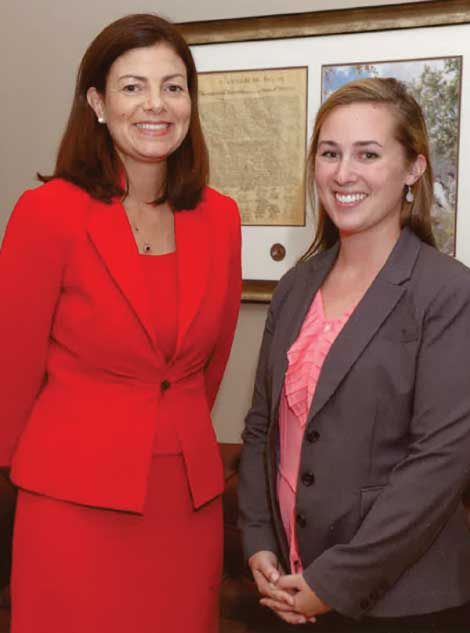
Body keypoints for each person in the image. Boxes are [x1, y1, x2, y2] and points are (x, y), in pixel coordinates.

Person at [0, 13, 241, 633]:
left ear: (190, 100)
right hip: (71, 504)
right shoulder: (47, 212)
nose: (155, 105)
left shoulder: (220, 218)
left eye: (174, 86)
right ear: (97, 103)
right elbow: (11, 369)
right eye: (133, 87)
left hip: (186, 507)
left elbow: (208, 369)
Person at [238, 77, 470, 632]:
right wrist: (259, 539)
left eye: (368, 154)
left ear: (413, 170)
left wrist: (334, 584)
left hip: (405, 605)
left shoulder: (451, 295)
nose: (342, 173)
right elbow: (263, 428)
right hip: (284, 588)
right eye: (330, 153)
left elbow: (438, 466)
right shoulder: (296, 286)